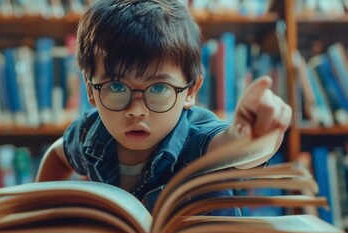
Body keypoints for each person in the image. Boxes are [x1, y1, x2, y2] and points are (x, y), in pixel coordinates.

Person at [36, 0, 292, 215]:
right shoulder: (89, 134)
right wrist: (41, 214)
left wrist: (254, 135)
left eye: (158, 89)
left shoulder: (196, 135)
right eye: (116, 87)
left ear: (190, 91)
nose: (137, 111)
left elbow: (235, 149)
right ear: (91, 90)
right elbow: (59, 156)